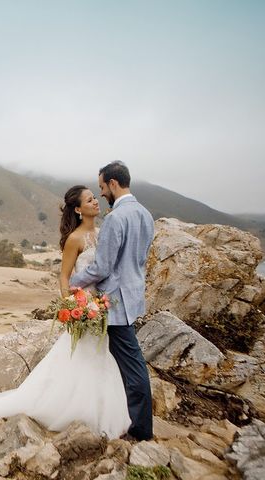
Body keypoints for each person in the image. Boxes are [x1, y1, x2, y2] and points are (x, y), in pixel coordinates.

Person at [0, 185, 131, 439]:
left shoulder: (101, 233)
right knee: (80, 359)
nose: (96, 202)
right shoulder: (75, 239)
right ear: (77, 209)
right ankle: (71, 412)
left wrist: (101, 302)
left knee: (98, 359)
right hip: (84, 308)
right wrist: (73, 306)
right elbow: (64, 278)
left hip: (100, 308)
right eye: (89, 200)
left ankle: (99, 413)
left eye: (95, 198)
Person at [70, 161, 154, 441]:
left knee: (132, 365)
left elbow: (102, 268)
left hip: (115, 303)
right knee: (118, 361)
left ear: (113, 184)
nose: (102, 193)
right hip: (133, 297)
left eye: (103, 187)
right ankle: (114, 412)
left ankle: (141, 429)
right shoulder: (145, 214)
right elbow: (139, 260)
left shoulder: (116, 219)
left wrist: (74, 284)